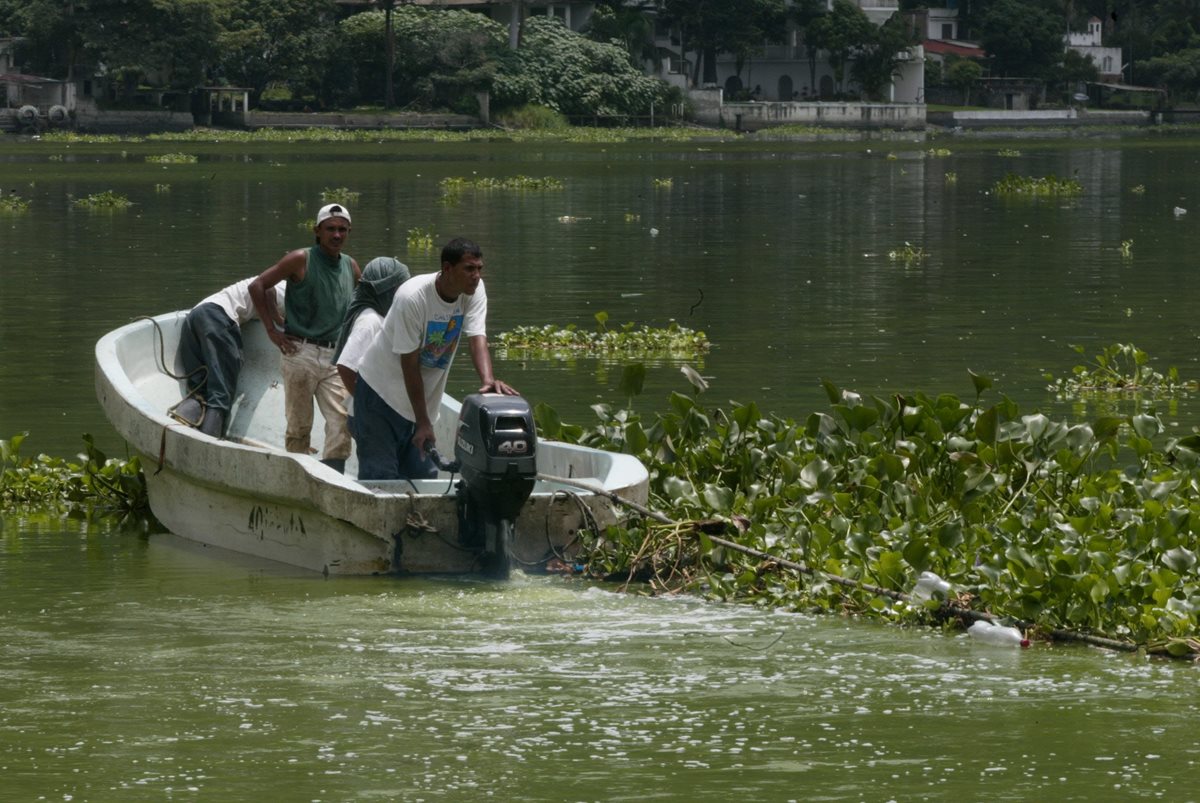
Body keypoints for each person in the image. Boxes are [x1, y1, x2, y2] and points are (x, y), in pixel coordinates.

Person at [353, 237, 517, 480]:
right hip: (379, 395)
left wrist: (488, 380)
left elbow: (477, 336)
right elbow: (409, 365)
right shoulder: (413, 297)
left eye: (479, 268)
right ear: (447, 269)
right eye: (469, 269)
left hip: (419, 402)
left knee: (425, 480)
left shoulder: (473, 291)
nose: (476, 275)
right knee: (381, 480)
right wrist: (423, 422)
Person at [249, 203, 361, 473]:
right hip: (300, 351)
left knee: (341, 422)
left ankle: (334, 481)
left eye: (342, 230)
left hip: (336, 356)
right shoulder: (301, 259)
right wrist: (272, 329)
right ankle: (297, 478)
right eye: (331, 229)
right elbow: (258, 285)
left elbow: (365, 302)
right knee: (299, 425)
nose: (337, 235)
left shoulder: (350, 266)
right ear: (317, 231)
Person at [173, 277, 284, 438]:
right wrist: (277, 321)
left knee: (199, 390)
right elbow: (268, 290)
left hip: (196, 316)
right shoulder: (289, 288)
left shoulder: (278, 281)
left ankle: (178, 430)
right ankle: (208, 447)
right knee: (220, 394)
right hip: (218, 317)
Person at [332, 255, 410, 405]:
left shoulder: (381, 316)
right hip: (372, 413)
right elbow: (345, 367)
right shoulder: (370, 321)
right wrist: (366, 405)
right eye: (399, 289)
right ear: (385, 291)